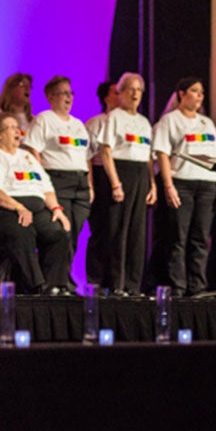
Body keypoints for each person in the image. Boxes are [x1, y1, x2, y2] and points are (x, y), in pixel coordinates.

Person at [0, 113, 71, 294]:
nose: (18, 131)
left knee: (57, 231)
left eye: (17, 127)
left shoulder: (27, 157)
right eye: (11, 127)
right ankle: (34, 286)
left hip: (31, 209)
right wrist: (19, 207)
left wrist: (56, 208)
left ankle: (54, 286)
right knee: (21, 227)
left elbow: (46, 187)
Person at [151, 77, 216, 296]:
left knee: (201, 238)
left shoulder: (207, 123)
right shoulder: (170, 121)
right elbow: (162, 154)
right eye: (194, 91)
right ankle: (179, 286)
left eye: (202, 91)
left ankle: (198, 286)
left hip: (207, 184)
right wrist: (168, 185)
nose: (200, 95)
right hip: (181, 182)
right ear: (181, 94)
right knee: (178, 238)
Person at [24, 76, 92, 293]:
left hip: (80, 182)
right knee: (60, 232)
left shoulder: (78, 124)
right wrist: (42, 179)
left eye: (71, 93)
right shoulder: (45, 119)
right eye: (64, 93)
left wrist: (90, 184)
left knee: (73, 235)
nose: (69, 98)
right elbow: (33, 149)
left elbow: (85, 156)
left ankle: (64, 279)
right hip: (57, 180)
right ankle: (53, 282)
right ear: (50, 96)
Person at [98, 72, 157, 296]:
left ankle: (133, 285)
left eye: (138, 90)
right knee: (117, 231)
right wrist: (115, 183)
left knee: (137, 233)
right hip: (121, 172)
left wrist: (152, 183)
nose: (134, 94)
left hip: (141, 173)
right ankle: (115, 284)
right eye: (130, 89)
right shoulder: (114, 117)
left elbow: (148, 156)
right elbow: (106, 151)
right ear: (120, 93)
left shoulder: (144, 122)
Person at [84, 80, 120, 288]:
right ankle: (95, 279)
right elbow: (88, 156)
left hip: (120, 173)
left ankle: (114, 279)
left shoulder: (127, 121)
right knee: (100, 229)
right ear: (106, 97)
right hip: (100, 175)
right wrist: (90, 183)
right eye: (116, 92)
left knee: (117, 231)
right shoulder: (95, 122)